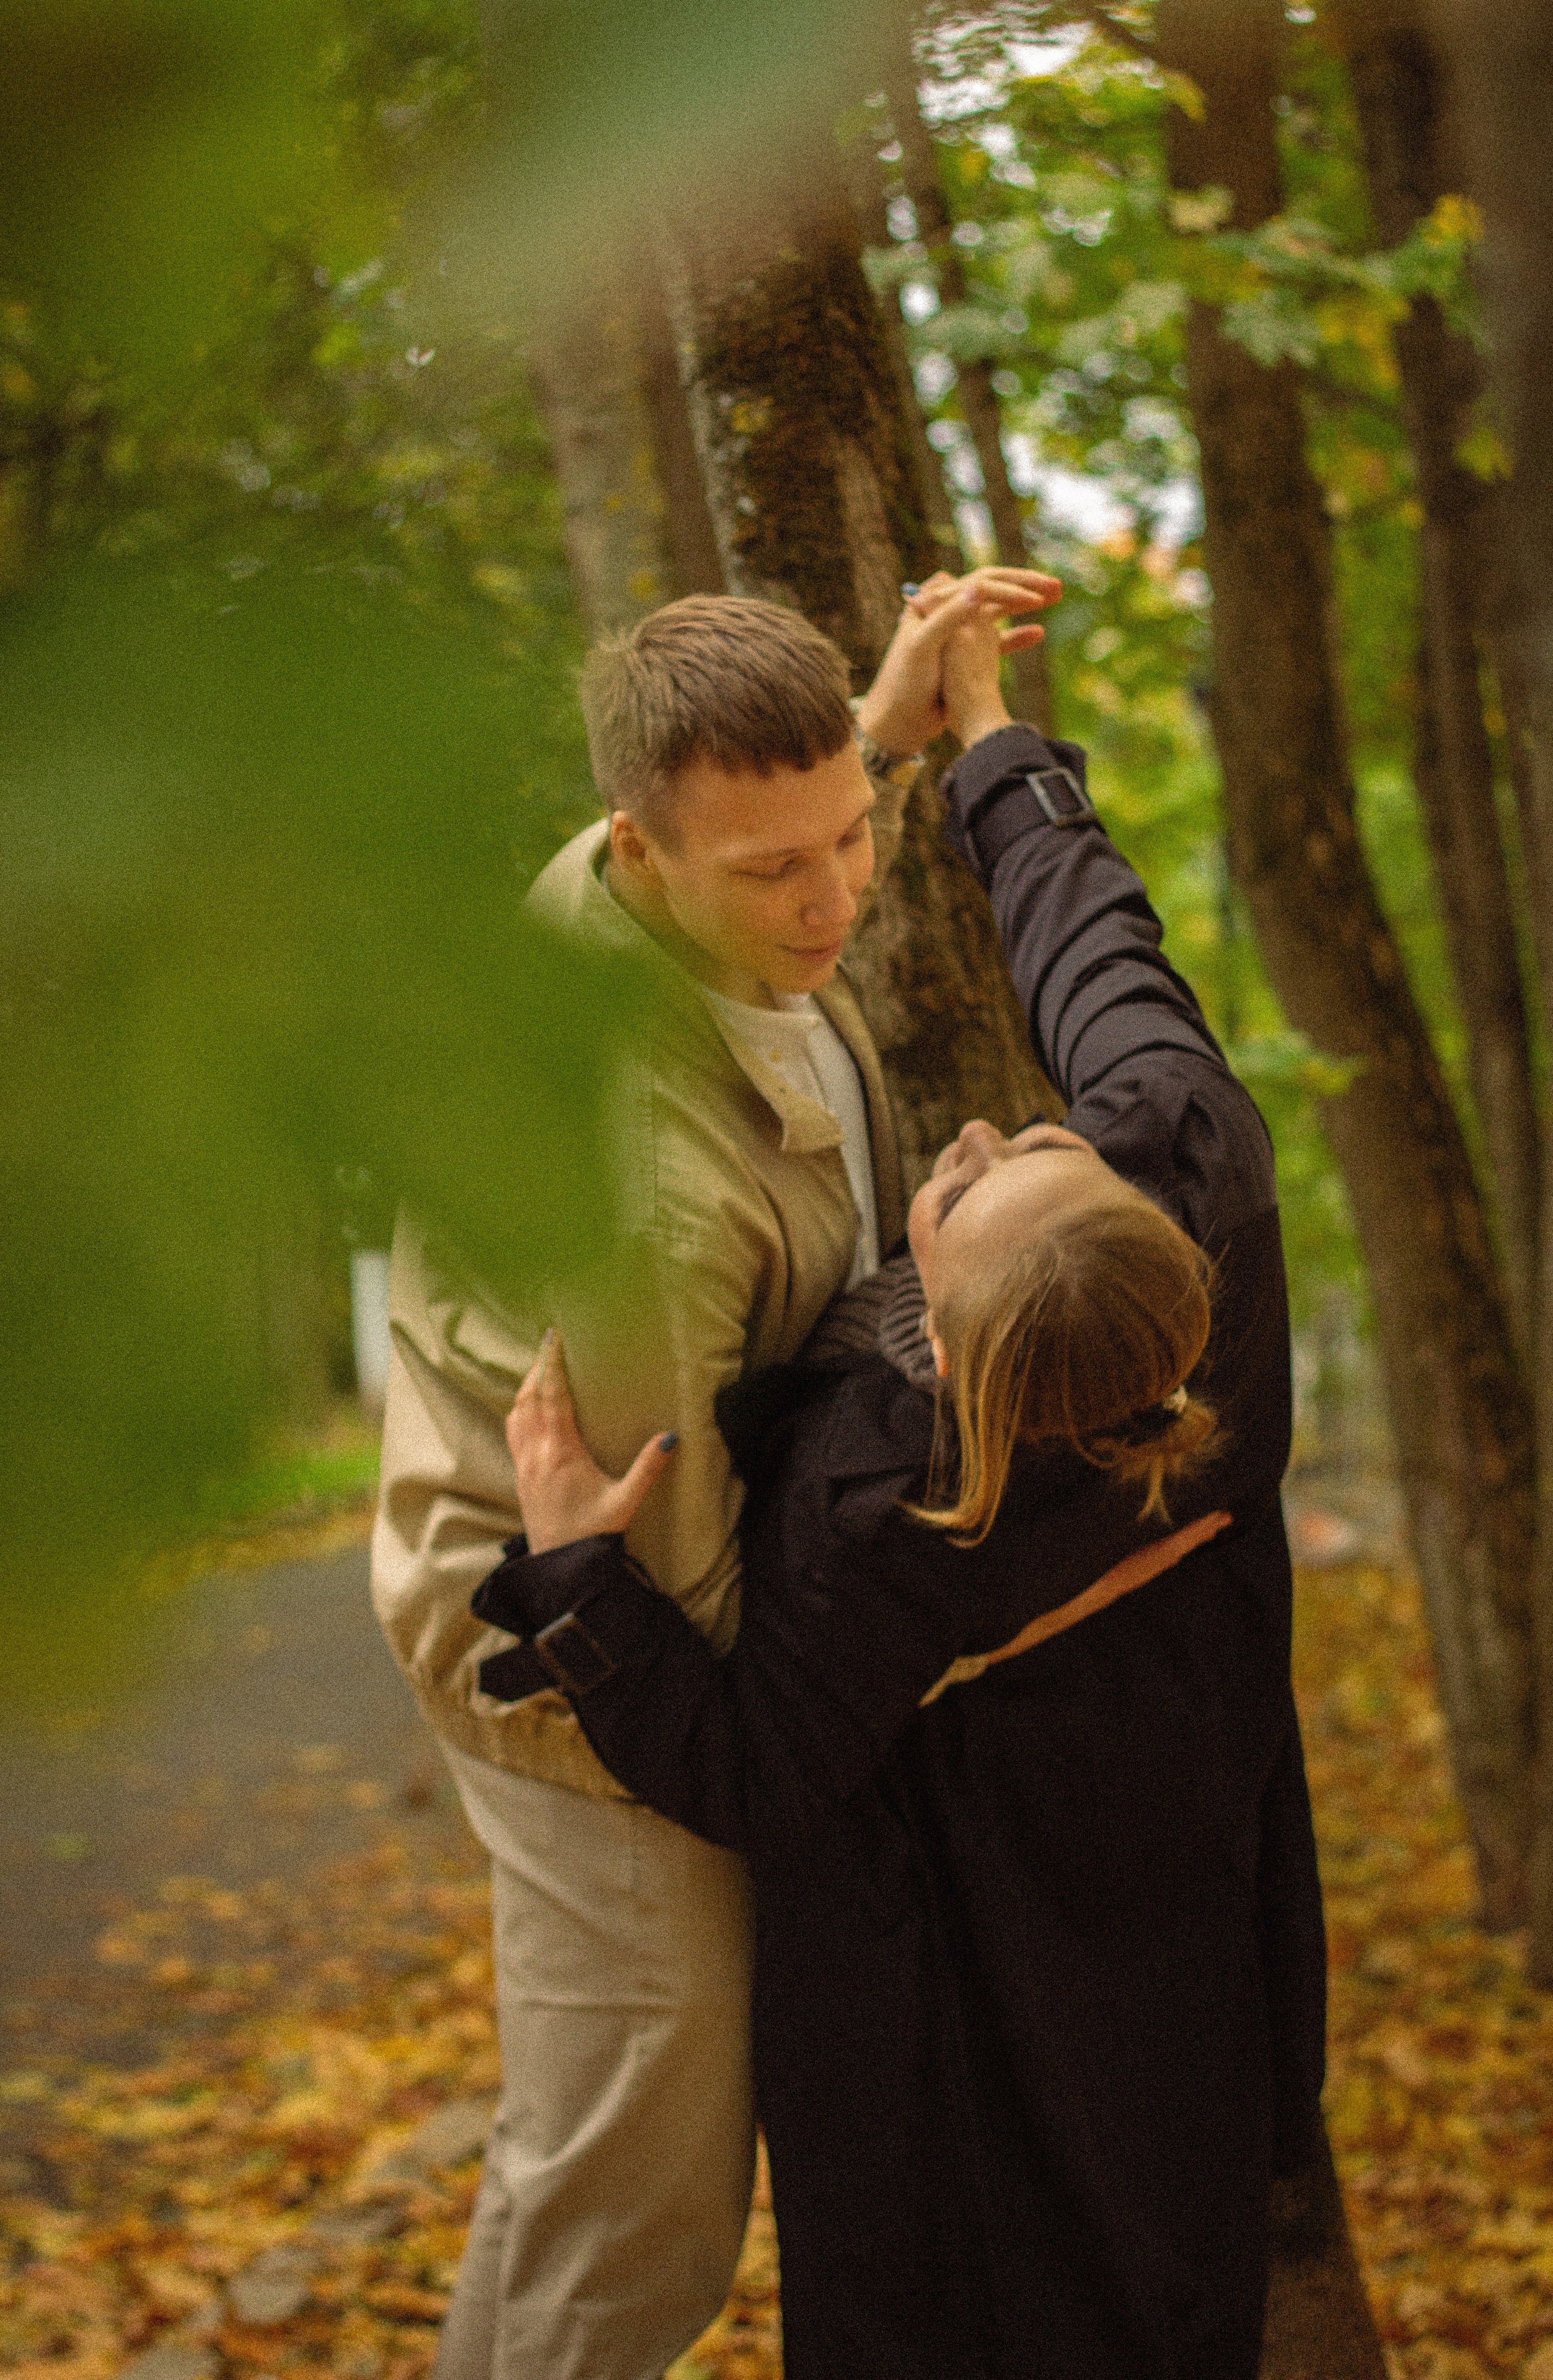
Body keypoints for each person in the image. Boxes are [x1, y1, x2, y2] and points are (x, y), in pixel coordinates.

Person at [475, 586, 1329, 2379]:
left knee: (983, 2267)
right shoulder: (1204, 1186)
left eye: (962, 1193)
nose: (984, 1133)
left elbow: (748, 1758)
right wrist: (989, 748)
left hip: (986, 1894)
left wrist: (576, 1580)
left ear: (942, 1339)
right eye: (1042, 1140)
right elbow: (1099, 953)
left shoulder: (890, 1504)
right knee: (1163, 2221)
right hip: (1178, 1831)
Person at [369, 570, 1062, 2380]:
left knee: (593, 2168)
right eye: (775, 872)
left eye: (849, 831)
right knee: (640, 2195)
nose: (833, 897)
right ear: (643, 849)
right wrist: (934, 1652)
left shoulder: (627, 882)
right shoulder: (646, 1201)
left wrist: (889, 734)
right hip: (582, 1658)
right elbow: (680, 1627)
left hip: (666, 1547)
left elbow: (779, 813)